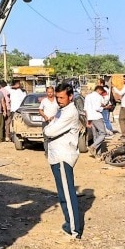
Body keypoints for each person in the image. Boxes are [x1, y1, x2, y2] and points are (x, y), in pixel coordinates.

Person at [43, 84, 84, 239]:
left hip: (63, 156)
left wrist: (48, 127)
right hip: (56, 155)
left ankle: (74, 230)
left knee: (67, 194)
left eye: (61, 97)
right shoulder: (62, 111)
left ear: (70, 96)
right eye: (57, 97)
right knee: (62, 194)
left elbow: (49, 131)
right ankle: (69, 224)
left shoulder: (70, 112)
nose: (58, 100)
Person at [84, 85, 109, 150]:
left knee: (95, 135)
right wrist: (105, 107)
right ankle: (94, 146)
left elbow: (85, 109)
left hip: (90, 117)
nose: (101, 93)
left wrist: (87, 121)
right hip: (97, 117)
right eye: (101, 92)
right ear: (99, 90)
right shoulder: (99, 97)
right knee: (103, 133)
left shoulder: (87, 96)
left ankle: (97, 153)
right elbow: (97, 108)